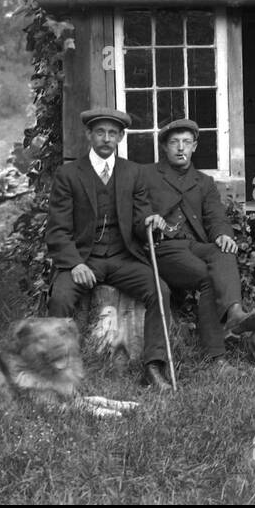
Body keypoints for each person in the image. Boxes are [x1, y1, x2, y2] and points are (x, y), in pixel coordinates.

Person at [45, 108, 174, 391]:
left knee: (159, 291)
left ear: (121, 137)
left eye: (113, 133)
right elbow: (57, 229)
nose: (106, 138)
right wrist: (75, 264)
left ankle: (153, 367)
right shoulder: (69, 174)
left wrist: (149, 222)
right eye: (100, 132)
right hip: (83, 259)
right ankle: (59, 371)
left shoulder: (133, 172)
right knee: (60, 298)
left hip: (122, 258)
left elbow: (141, 220)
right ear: (89, 135)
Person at [137, 118, 255, 364]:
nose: (180, 148)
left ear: (194, 146)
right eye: (174, 142)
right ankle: (216, 358)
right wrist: (149, 219)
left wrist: (223, 235)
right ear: (164, 147)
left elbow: (216, 217)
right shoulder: (147, 175)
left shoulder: (204, 182)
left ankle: (235, 312)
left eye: (186, 142)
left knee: (223, 251)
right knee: (208, 277)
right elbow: (138, 209)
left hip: (194, 245)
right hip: (164, 247)